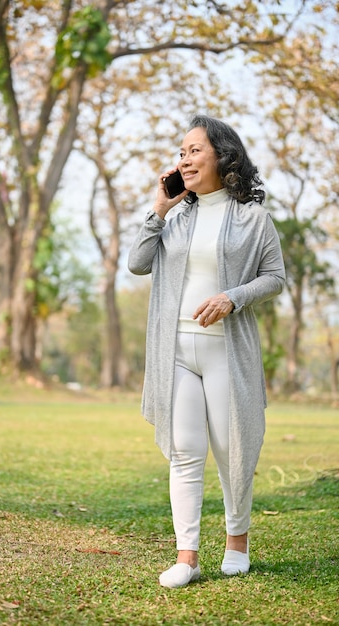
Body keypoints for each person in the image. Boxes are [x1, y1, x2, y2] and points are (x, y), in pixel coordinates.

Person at [128, 114, 285, 589]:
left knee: (233, 450)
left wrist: (231, 297)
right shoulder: (175, 218)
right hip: (174, 350)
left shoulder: (253, 218)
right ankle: (188, 556)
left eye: (194, 150)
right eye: (181, 152)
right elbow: (137, 263)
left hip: (225, 350)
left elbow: (275, 278)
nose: (185, 159)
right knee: (185, 452)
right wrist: (158, 207)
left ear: (222, 155)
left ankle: (237, 541)